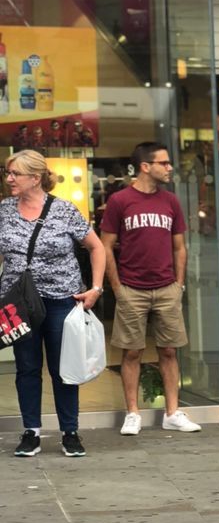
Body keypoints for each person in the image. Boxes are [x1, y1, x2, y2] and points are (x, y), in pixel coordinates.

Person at [1, 150, 105, 458]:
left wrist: (96, 289)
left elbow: (96, 247)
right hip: (20, 305)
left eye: (14, 174)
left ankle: (69, 431)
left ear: (35, 178)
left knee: (65, 369)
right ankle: (31, 431)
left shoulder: (64, 210)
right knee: (27, 368)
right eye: (7, 173)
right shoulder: (4, 210)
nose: (8, 179)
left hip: (62, 300)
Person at [101, 143, 201, 436]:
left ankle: (173, 412)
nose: (170, 168)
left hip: (166, 288)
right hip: (131, 288)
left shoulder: (170, 201)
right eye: (164, 163)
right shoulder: (120, 201)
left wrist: (178, 284)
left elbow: (180, 247)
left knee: (169, 351)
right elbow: (105, 246)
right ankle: (133, 413)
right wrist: (117, 287)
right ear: (146, 166)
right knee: (132, 352)